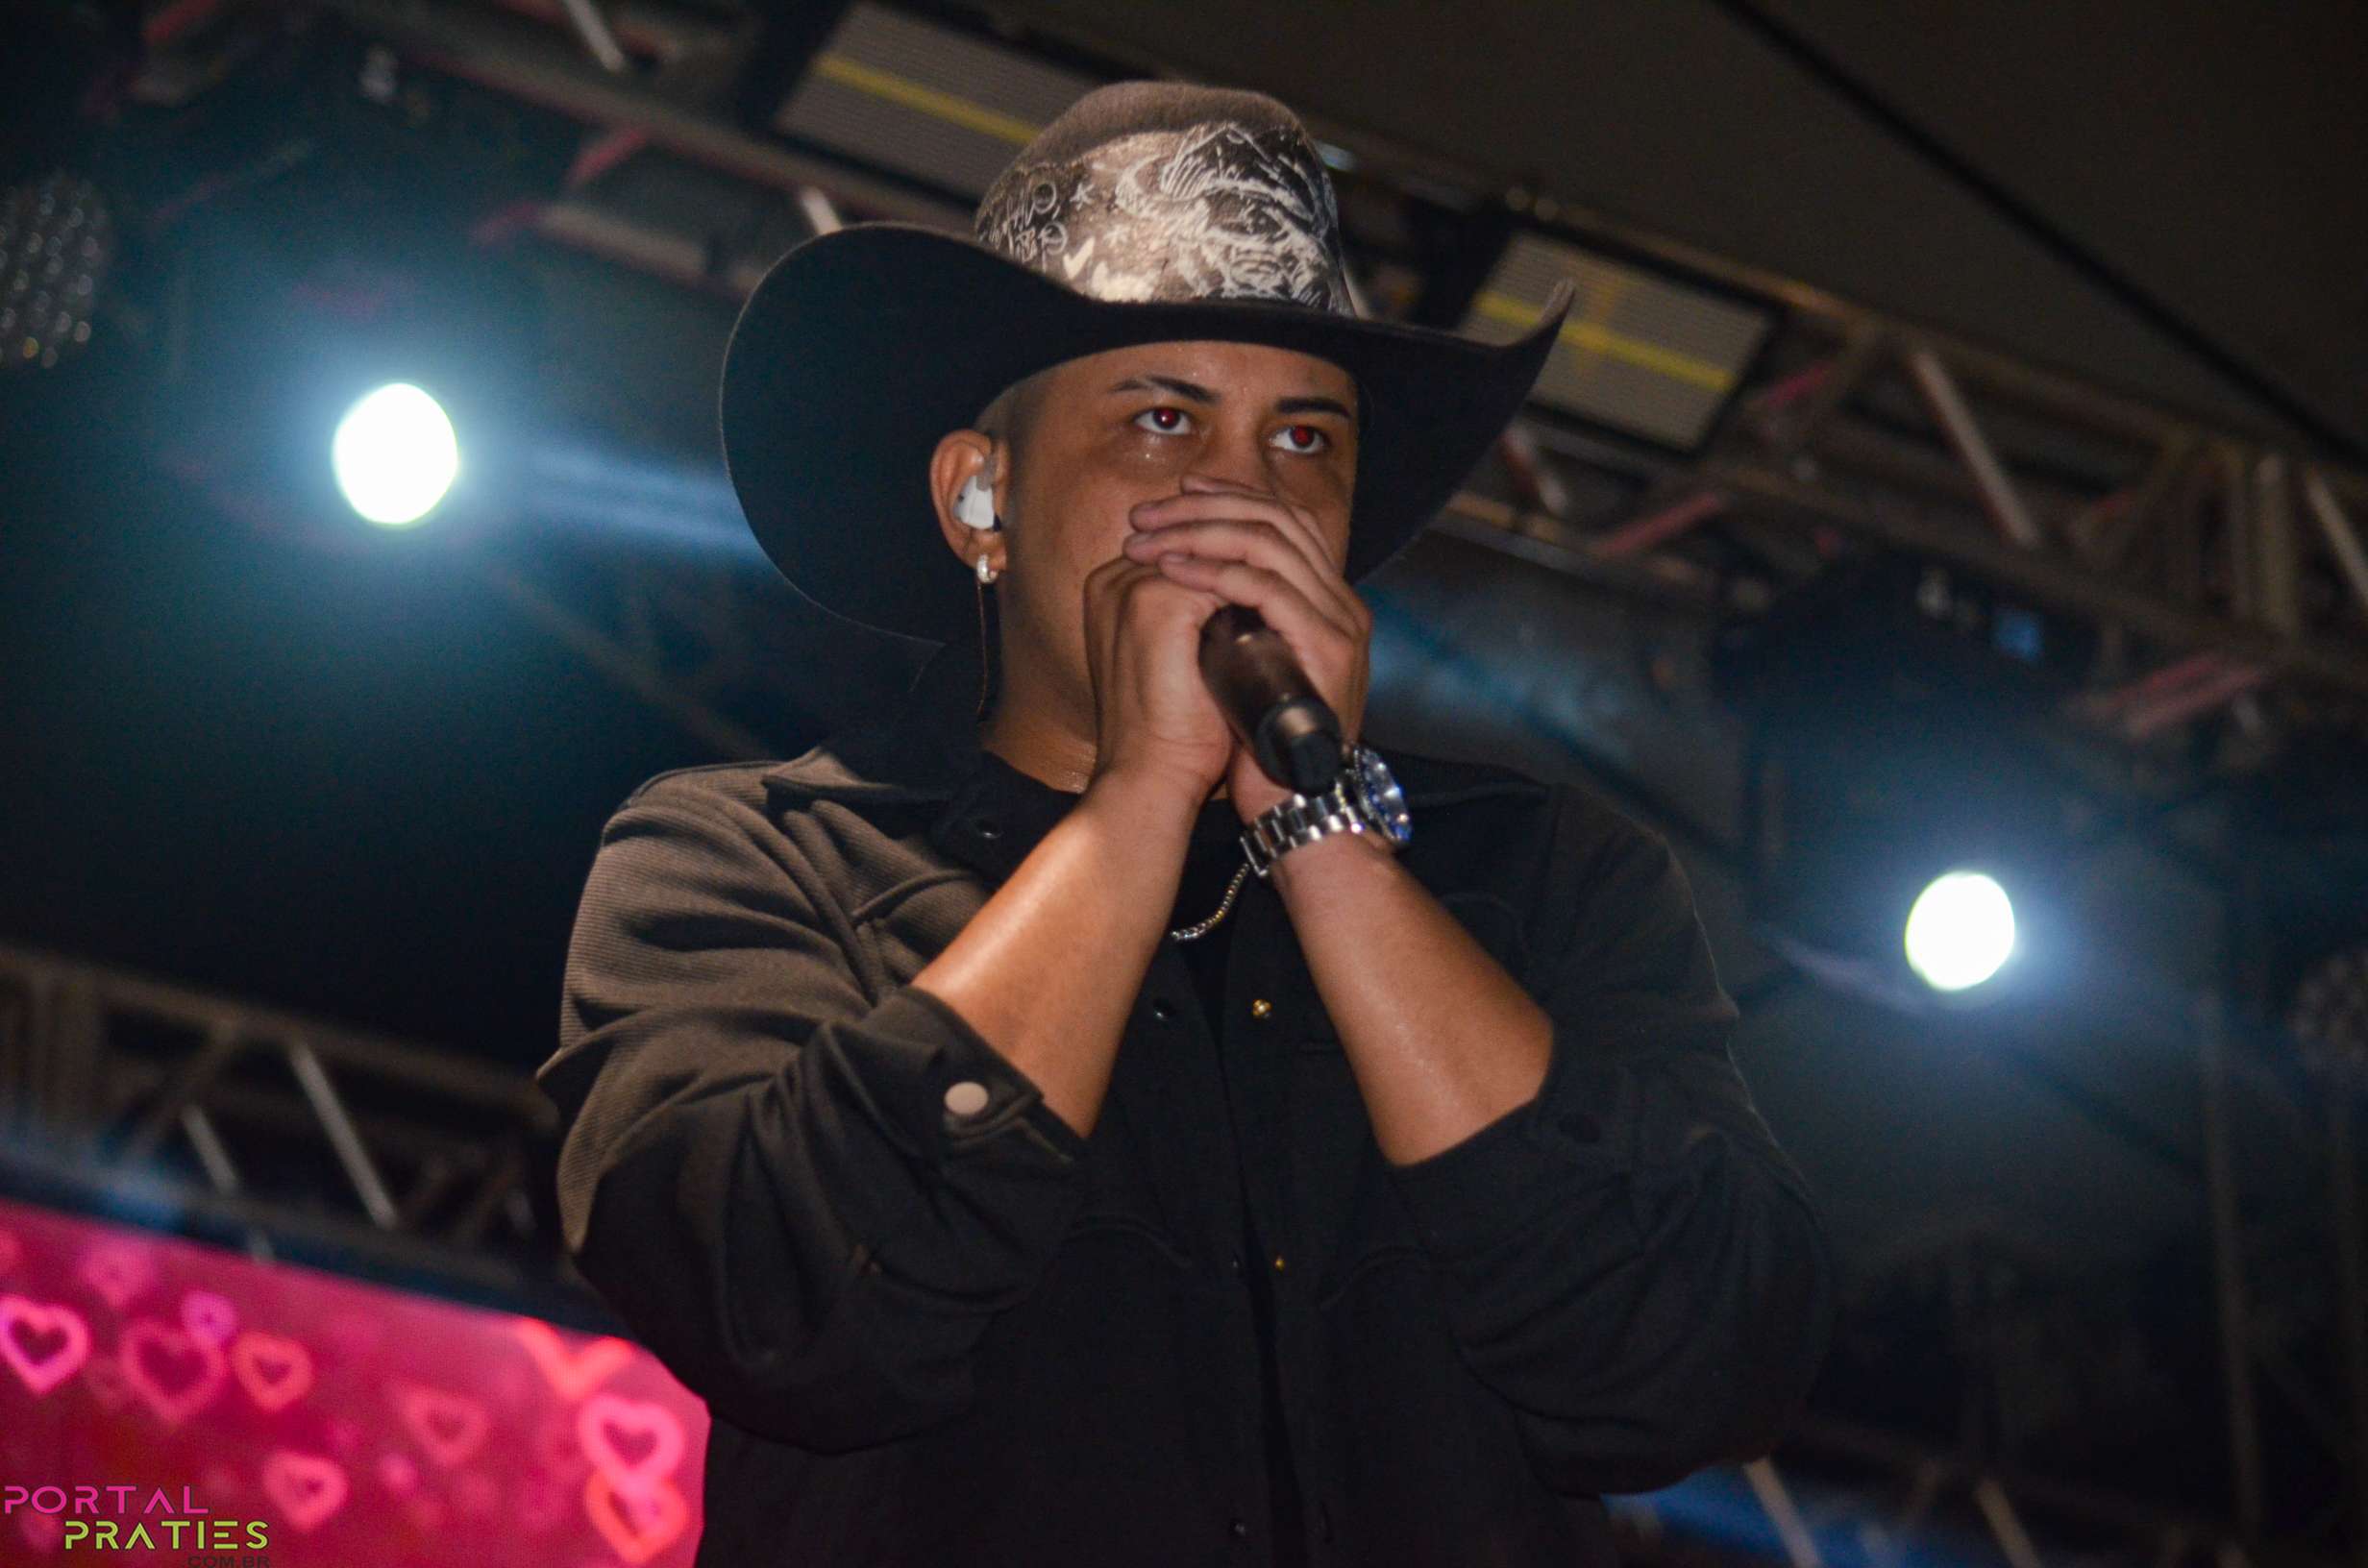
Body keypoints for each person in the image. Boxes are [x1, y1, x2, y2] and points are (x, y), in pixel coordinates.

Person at [539, 81, 1834, 1568]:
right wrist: (1141, 796)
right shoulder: (754, 858)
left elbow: (1700, 1367)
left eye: (1305, 440)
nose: (1241, 492)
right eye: (1163, 420)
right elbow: (790, 1309)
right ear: (980, 497)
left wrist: (1325, 839)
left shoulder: (1544, 879)